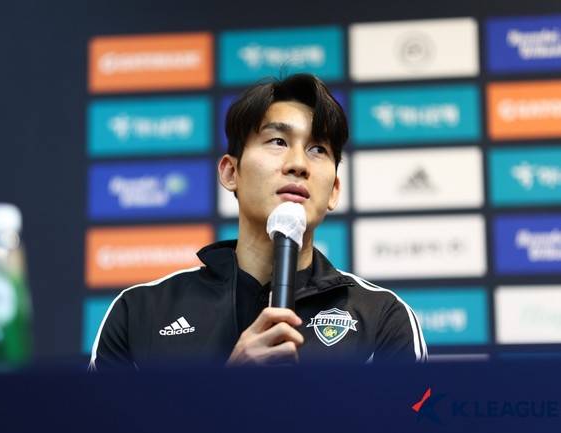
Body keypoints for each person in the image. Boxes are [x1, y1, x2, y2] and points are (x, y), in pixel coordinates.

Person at [89, 73, 427, 370]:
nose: (298, 164)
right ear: (230, 172)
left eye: (318, 149)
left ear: (334, 190)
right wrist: (230, 391)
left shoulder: (382, 317)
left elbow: (409, 415)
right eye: (278, 141)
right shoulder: (140, 311)